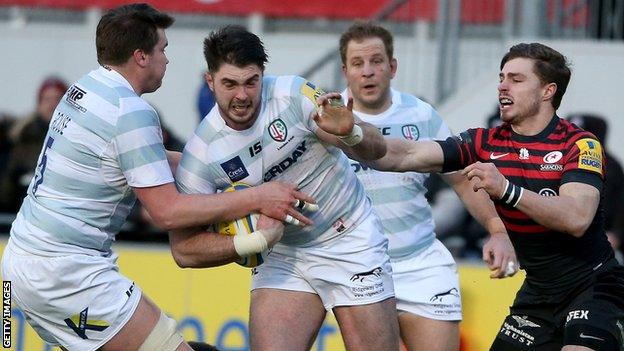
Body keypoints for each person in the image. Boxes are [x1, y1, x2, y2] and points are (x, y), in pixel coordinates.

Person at [0, 4, 316, 351]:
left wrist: (232, 173)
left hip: (20, 262)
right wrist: (257, 199)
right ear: (141, 57)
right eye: (163, 49)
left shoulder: (86, 88)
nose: (167, 59)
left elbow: (147, 160)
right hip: (67, 274)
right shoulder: (130, 111)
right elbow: (167, 212)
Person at [368, 42, 624, 350]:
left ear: (547, 91)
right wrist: (352, 133)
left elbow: (577, 217)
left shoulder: (581, 144)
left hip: (594, 286)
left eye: (516, 79)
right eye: (502, 77)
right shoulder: (484, 141)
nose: (502, 86)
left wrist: (506, 190)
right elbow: (403, 154)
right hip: (538, 295)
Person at [170, 25, 400, 351]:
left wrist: (353, 133)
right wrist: (254, 241)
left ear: (263, 74)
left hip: (350, 238)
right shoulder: (201, 153)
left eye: (251, 82)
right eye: (229, 84)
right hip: (282, 255)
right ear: (210, 81)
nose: (242, 95)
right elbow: (183, 250)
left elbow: (377, 150)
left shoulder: (293, 94)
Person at [338, 22, 516, 351]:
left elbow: (463, 179)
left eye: (376, 61)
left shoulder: (421, 115)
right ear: (345, 70)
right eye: (358, 64)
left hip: (421, 262)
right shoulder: (328, 120)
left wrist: (497, 230)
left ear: (392, 67)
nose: (368, 72)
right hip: (358, 268)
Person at [0, 76, 68, 212]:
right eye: (47, 99)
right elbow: (6, 191)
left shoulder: (77, 137)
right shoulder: (22, 139)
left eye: (57, 99)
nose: (52, 105)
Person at [567, 113, 624, 264]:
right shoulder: (558, 163)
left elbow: (620, 206)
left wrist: (616, 235)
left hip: (601, 243)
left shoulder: (612, 167)